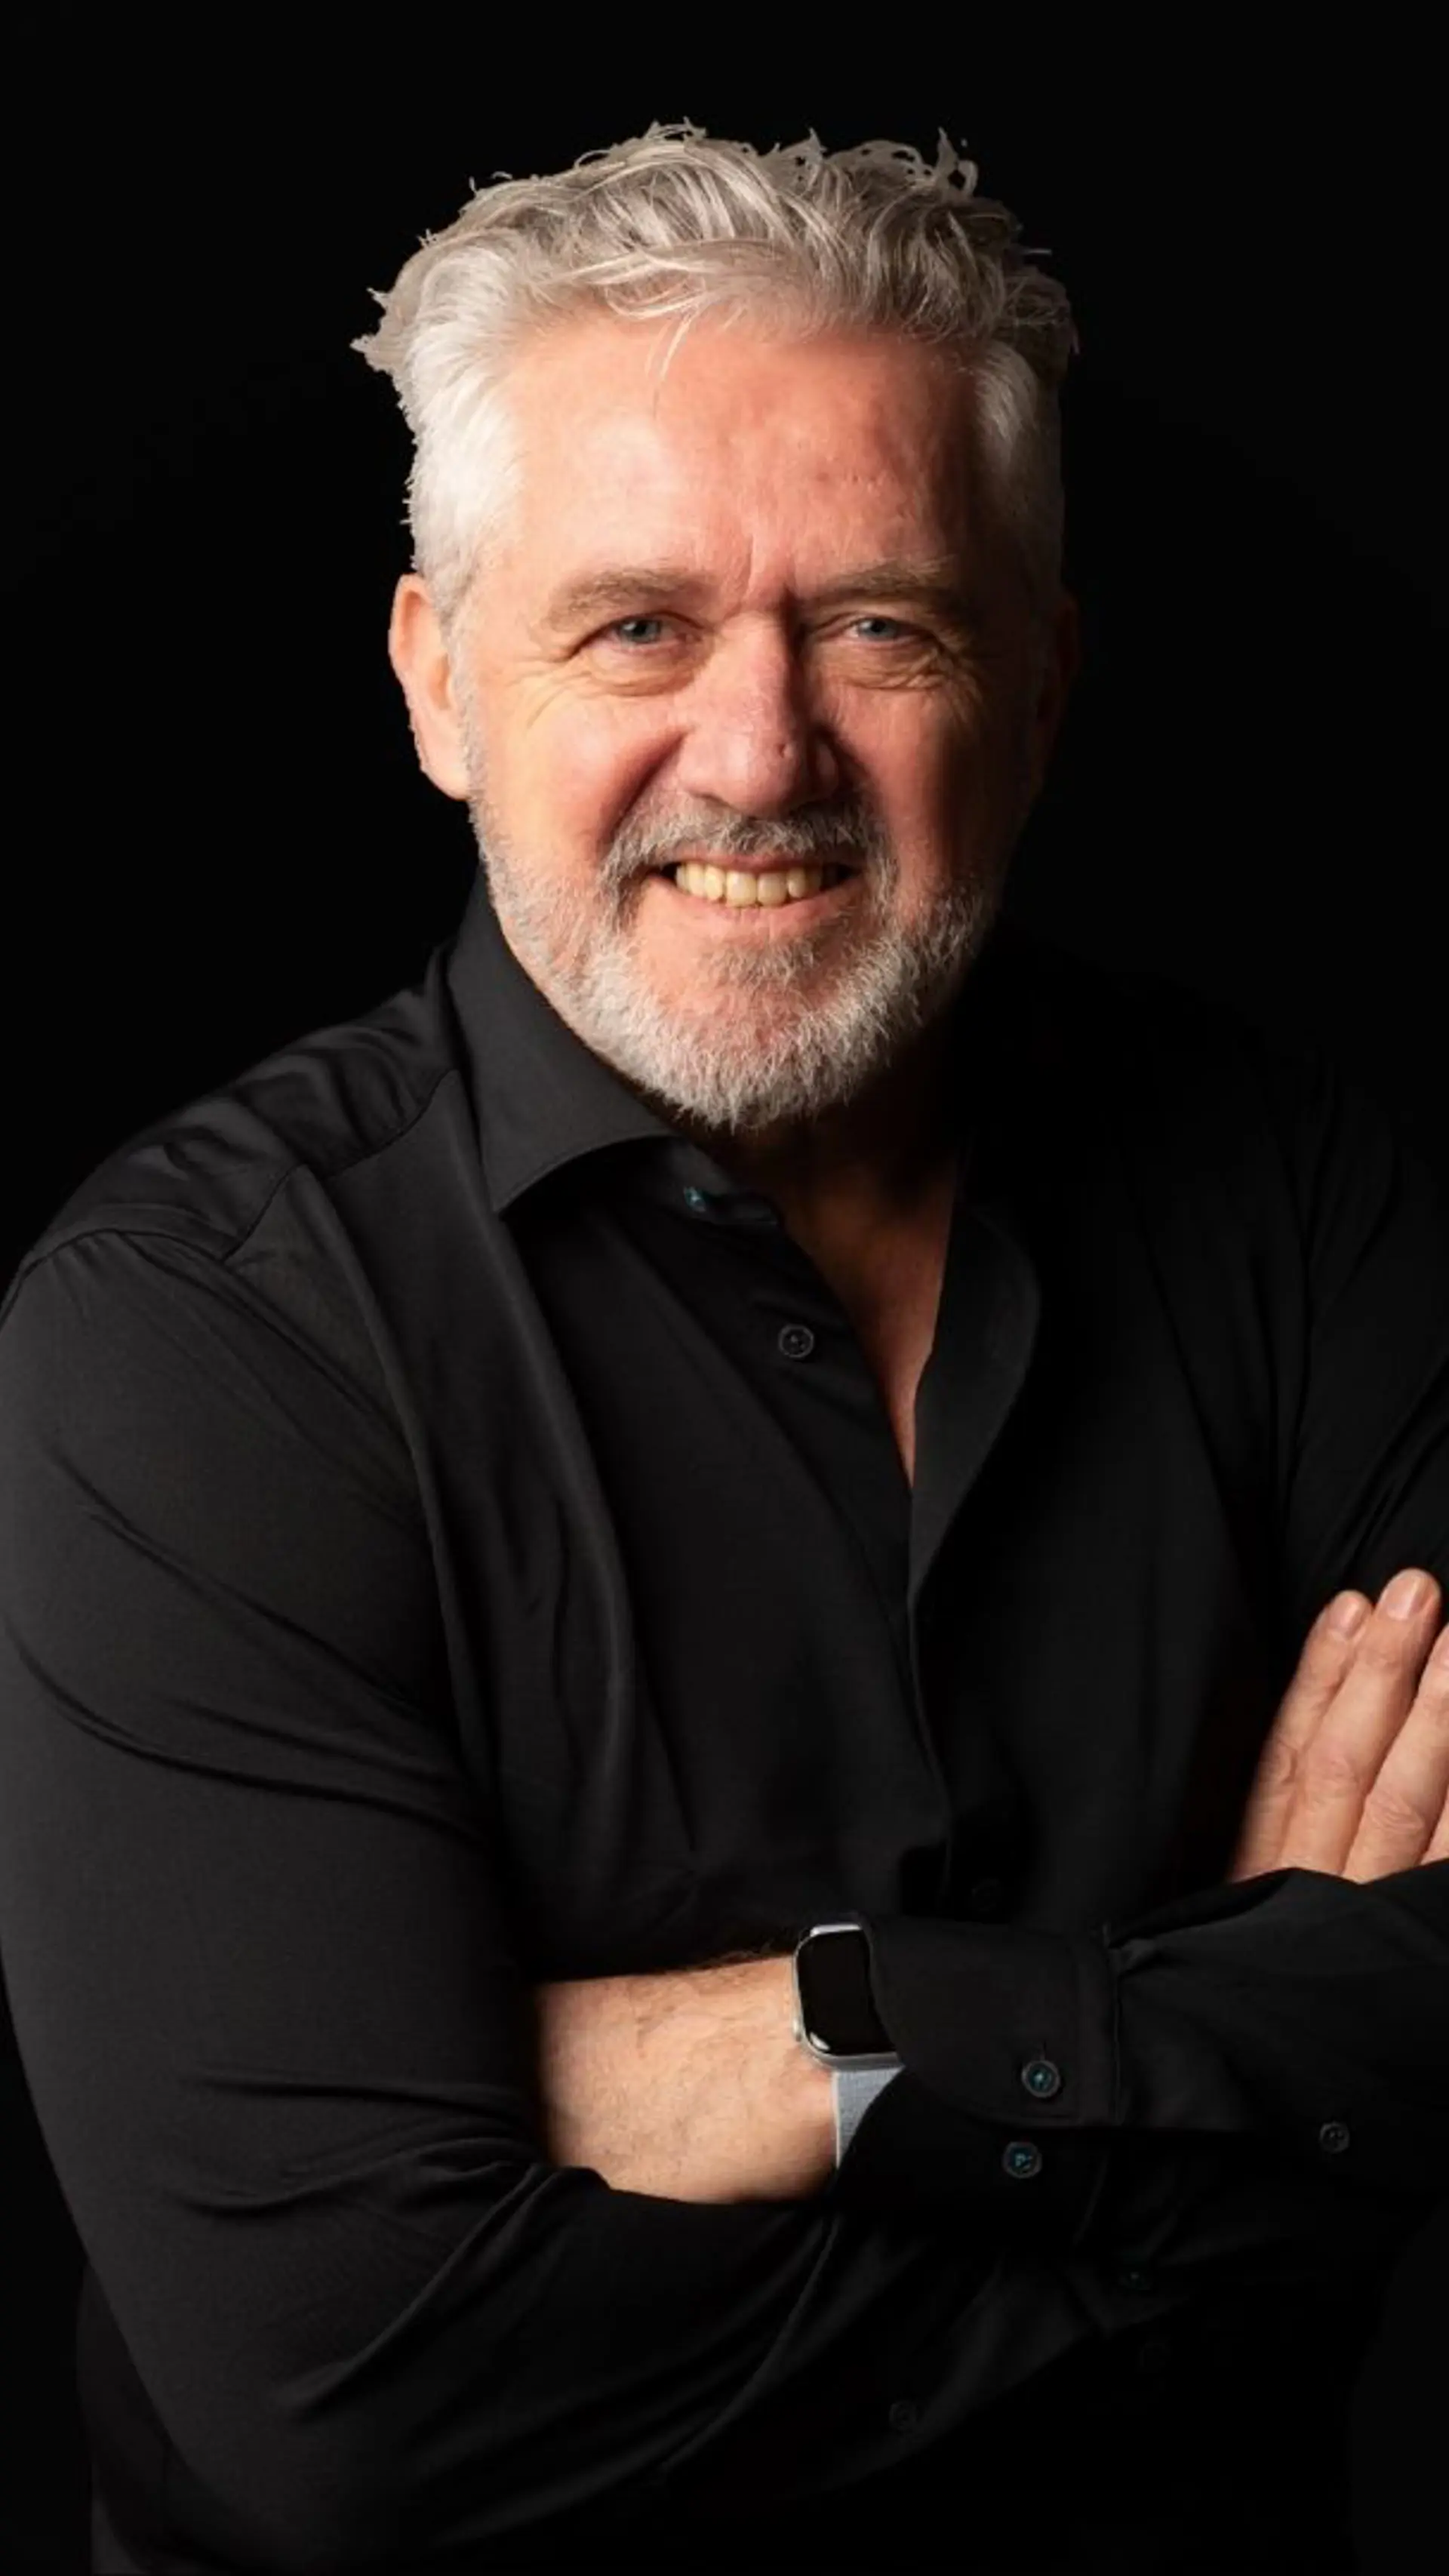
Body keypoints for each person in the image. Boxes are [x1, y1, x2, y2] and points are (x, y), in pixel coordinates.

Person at [0, 120, 1445, 2576]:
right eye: (637, 629)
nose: (763, 753)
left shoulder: (1295, 1202)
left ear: (1041, 683)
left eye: (880, 624)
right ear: (440, 683)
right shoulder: (199, 1340)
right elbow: (351, 2415)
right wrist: (1240, 2124)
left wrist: (810, 2043)